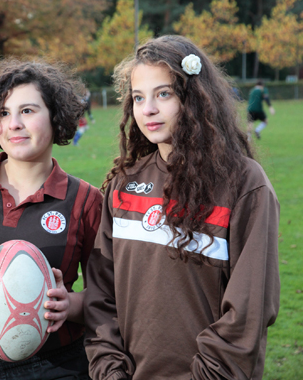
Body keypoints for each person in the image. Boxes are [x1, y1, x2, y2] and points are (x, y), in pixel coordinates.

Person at [84, 35, 280, 380]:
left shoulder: (245, 185)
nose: (148, 110)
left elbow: (248, 312)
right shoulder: (123, 184)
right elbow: (100, 295)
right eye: (138, 97)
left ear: (194, 98)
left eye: (164, 94)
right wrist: (110, 372)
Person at [0, 58, 103, 380]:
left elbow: (110, 293)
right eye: (4, 112)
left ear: (55, 117)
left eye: (27, 111)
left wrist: (72, 305)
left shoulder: (85, 200)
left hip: (57, 369)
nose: (14, 124)